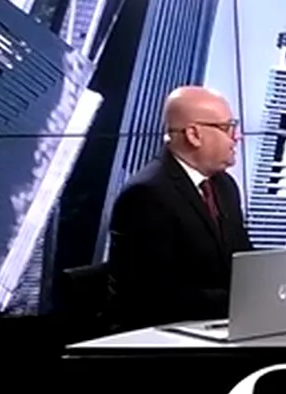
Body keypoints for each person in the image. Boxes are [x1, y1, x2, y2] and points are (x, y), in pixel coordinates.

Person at [105, 86, 254, 330]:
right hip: (156, 338)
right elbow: (156, 297)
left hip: (216, 325)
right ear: (194, 135)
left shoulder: (224, 185)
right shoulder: (146, 195)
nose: (237, 137)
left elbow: (242, 258)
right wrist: (243, 302)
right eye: (227, 127)